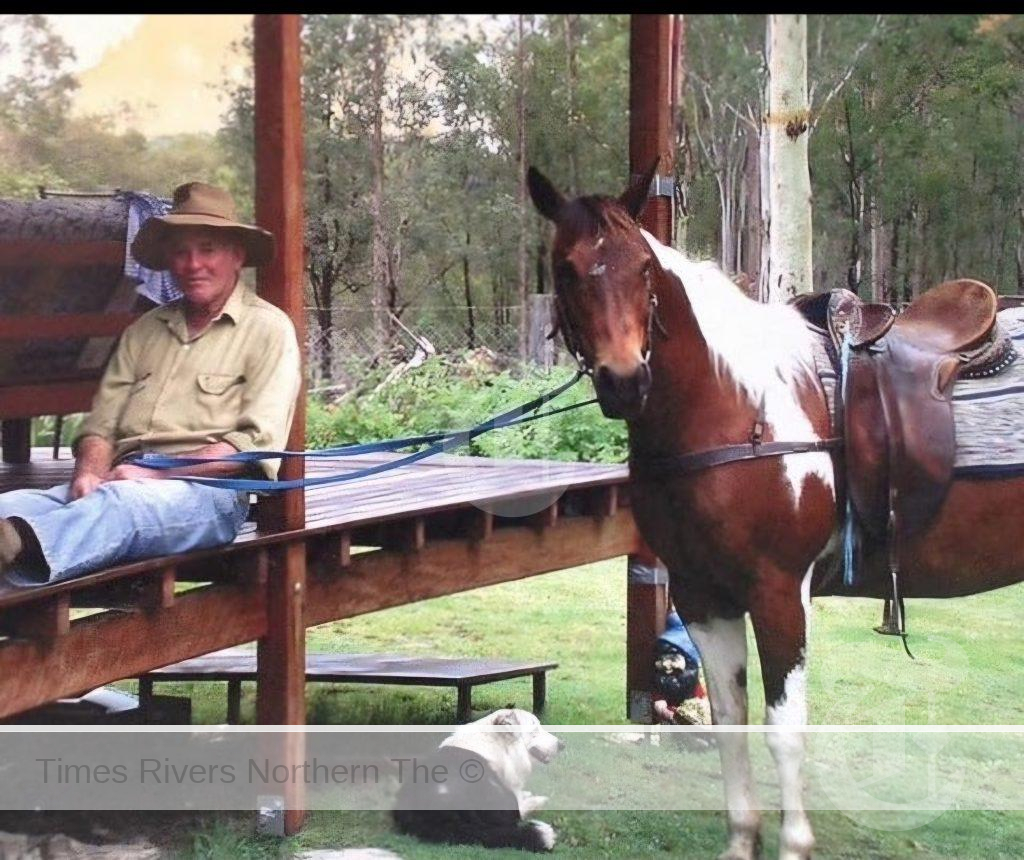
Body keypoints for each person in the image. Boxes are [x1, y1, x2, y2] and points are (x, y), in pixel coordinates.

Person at [0, 182, 301, 585]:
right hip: (118, 484)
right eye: (181, 251)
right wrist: (89, 472)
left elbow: (254, 446)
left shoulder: (268, 329)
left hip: (206, 495)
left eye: (207, 248)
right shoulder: (143, 331)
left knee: (119, 506)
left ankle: (13, 547)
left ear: (236, 255)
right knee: (11, 505)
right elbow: (100, 426)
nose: (193, 264)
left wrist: (155, 475)